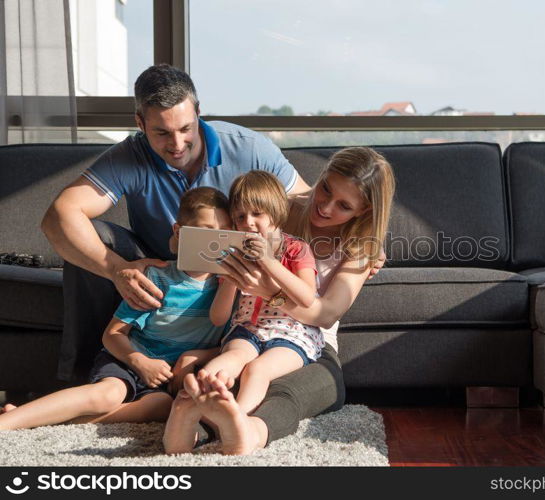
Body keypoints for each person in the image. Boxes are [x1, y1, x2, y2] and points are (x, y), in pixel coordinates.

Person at [41, 64, 311, 411]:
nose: (178, 144)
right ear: (140, 124)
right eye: (162, 134)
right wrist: (117, 270)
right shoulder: (130, 155)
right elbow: (59, 217)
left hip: (232, 274)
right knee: (99, 236)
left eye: (186, 128)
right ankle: (92, 379)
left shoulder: (248, 148)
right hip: (158, 266)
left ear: (198, 112)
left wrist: (355, 246)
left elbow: (305, 205)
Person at [165, 147, 395, 455]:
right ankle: (188, 430)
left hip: (310, 343)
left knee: (287, 391)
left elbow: (324, 314)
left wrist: (266, 291)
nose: (325, 207)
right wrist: (156, 261)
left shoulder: (361, 247)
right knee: (224, 378)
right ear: (322, 175)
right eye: (326, 189)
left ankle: (248, 431)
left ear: (363, 211)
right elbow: (206, 238)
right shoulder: (271, 210)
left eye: (343, 205)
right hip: (250, 329)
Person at [0, 187, 232, 429]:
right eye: (206, 231)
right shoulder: (158, 277)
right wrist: (141, 362)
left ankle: (41, 419)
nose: (214, 241)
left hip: (169, 382)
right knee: (108, 395)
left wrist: (194, 358)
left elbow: (234, 342)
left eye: (224, 233)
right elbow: (112, 334)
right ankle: (8, 423)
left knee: (163, 406)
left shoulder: (231, 286)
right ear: (180, 231)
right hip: (130, 361)